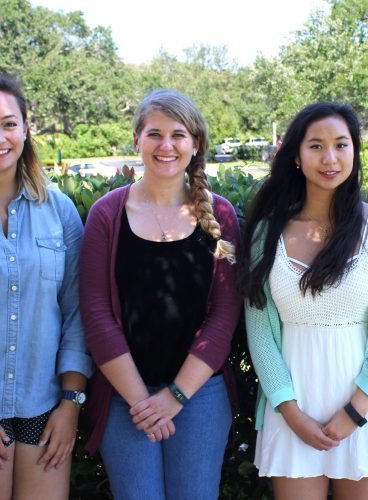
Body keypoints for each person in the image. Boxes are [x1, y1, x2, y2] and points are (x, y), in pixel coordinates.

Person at [240, 102, 368, 500]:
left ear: (355, 151)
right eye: (316, 146)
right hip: (292, 409)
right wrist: (290, 412)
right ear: (297, 157)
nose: (330, 158)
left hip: (364, 408)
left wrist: (355, 410)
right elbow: (260, 335)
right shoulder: (266, 233)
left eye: (341, 144)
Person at [79, 88, 241, 500]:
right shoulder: (107, 214)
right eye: (154, 134)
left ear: (196, 143)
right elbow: (97, 314)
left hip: (200, 394)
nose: (166, 146)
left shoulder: (219, 216)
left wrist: (175, 395)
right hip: (124, 396)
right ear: (137, 140)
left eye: (178, 135)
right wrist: (143, 402)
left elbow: (223, 315)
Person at [0, 75, 92, 499]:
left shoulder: (58, 210)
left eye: (8, 123)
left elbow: (77, 313)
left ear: (25, 128)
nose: (2, 137)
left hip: (43, 405)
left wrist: (71, 403)